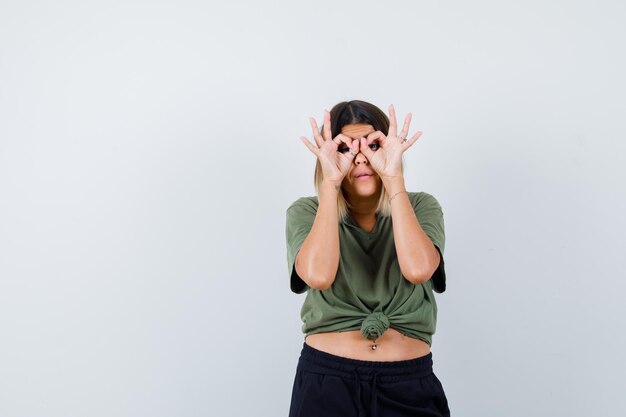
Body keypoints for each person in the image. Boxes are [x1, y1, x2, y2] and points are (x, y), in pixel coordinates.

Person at [285, 100, 450, 417]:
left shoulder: (421, 206)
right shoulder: (307, 212)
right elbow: (318, 276)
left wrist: (393, 179)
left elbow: (418, 270)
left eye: (373, 145)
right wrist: (330, 184)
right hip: (327, 383)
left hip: (408, 383)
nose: (361, 156)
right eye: (346, 149)